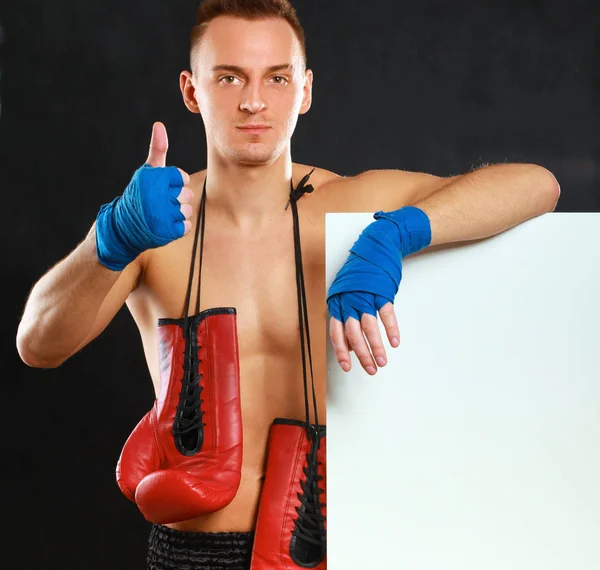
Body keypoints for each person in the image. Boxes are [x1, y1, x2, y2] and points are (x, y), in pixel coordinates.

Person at [15, 1, 560, 569]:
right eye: (229, 78)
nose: (254, 101)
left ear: (304, 90)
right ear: (191, 90)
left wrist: (398, 232)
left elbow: (536, 186)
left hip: (337, 549)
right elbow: (38, 344)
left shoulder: (352, 205)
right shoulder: (153, 222)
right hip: (191, 552)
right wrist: (110, 239)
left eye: (276, 78)